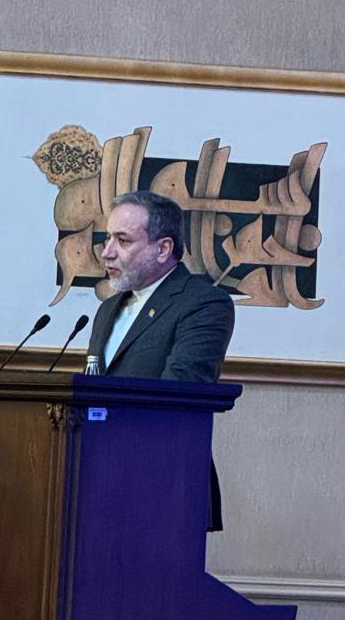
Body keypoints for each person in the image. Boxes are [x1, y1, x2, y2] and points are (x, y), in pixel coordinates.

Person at [86, 190, 234, 529]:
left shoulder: (204, 303)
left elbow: (181, 392)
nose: (107, 252)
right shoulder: (108, 308)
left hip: (165, 486)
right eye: (107, 239)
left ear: (163, 248)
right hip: (101, 483)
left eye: (123, 240)